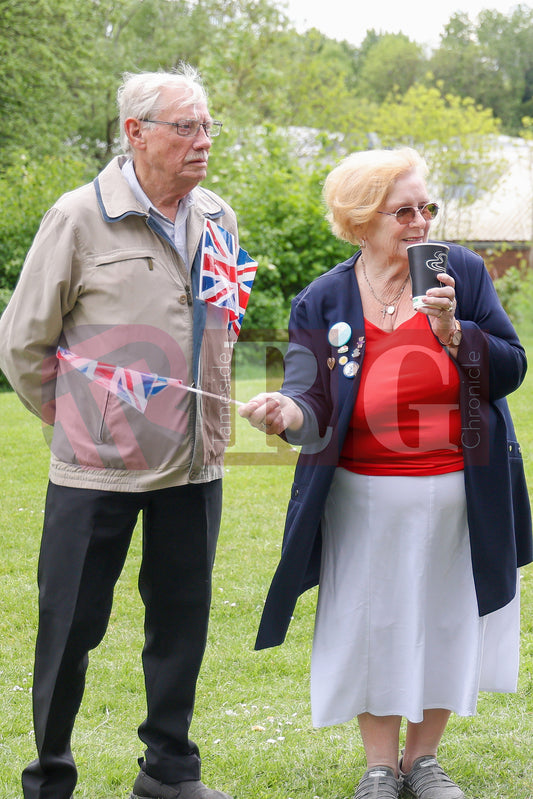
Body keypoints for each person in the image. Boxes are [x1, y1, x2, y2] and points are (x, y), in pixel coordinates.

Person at [238, 148, 532, 799]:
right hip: (360, 495)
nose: (421, 221)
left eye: (427, 207)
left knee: (445, 619)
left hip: (458, 490)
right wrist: (285, 412)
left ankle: (423, 760)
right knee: (370, 623)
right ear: (360, 219)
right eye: (404, 211)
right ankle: (379, 765)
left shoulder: (460, 272)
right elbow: (308, 399)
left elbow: (511, 367)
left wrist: (452, 330)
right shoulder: (323, 298)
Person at [0, 66, 243, 799]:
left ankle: (168, 771)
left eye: (207, 127)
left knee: (181, 623)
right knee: (70, 626)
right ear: (135, 132)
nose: (203, 141)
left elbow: (222, 326)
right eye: (186, 127)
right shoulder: (78, 217)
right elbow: (22, 342)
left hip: (194, 464)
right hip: (96, 468)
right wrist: (82, 419)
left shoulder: (218, 216)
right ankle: (49, 776)